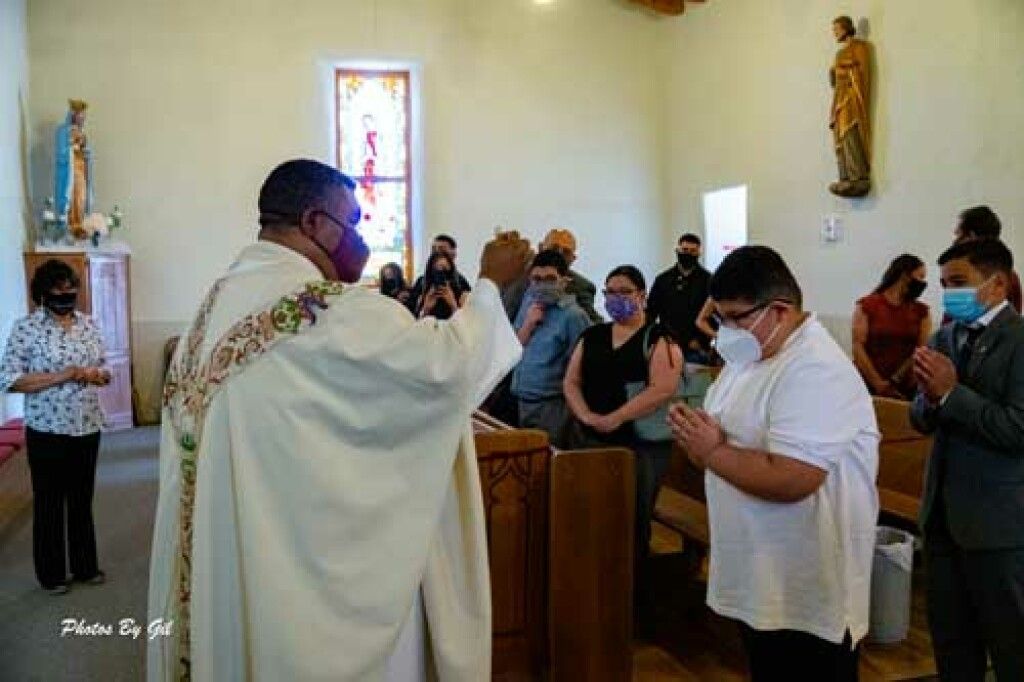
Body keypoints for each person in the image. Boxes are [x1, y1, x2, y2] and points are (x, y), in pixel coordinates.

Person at [147, 159, 527, 682]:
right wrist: (490, 284)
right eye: (353, 222)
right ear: (313, 223)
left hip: (231, 556)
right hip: (297, 578)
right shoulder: (321, 309)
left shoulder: (213, 308)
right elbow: (447, 369)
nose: (360, 236)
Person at [668, 246, 879, 681]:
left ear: (779, 311)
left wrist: (710, 451)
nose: (723, 330)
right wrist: (700, 435)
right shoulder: (752, 354)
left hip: (804, 585)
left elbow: (794, 477)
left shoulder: (815, 368)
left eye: (733, 317)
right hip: (761, 570)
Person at [910, 238, 1024, 682]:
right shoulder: (945, 336)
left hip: (999, 526)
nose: (948, 293)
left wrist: (952, 394)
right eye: (943, 284)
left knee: (1012, 645)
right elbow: (920, 419)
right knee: (952, 646)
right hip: (941, 519)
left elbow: (1018, 429)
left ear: (996, 285)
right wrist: (929, 399)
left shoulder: (1019, 340)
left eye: (958, 282)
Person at [562, 265, 682, 627]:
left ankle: (632, 606)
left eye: (625, 291)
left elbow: (662, 388)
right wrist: (584, 414)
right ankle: (595, 597)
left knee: (632, 521)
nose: (616, 298)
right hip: (591, 437)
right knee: (593, 519)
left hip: (639, 445)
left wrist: (616, 417)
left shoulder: (659, 337)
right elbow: (571, 380)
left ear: (642, 295)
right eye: (610, 291)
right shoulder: (594, 334)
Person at [0, 259, 110, 595]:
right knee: (49, 501)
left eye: (71, 289)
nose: (67, 295)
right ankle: (51, 575)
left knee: (81, 498)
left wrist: (100, 375)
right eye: (59, 290)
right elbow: (11, 380)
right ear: (43, 294)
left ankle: (85, 566)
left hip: (86, 425)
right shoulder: (26, 328)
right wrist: (66, 374)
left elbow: (103, 368)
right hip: (47, 428)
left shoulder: (89, 325)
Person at [511, 249, 591, 447]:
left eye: (549, 279)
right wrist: (528, 323)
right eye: (536, 279)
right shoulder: (529, 303)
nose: (541, 284)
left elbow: (582, 367)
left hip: (552, 404)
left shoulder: (573, 316)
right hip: (522, 398)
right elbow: (512, 347)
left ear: (564, 281)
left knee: (547, 461)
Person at [852, 254, 931, 398]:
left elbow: (921, 349)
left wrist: (895, 380)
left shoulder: (921, 311)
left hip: (906, 386)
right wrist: (878, 384)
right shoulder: (867, 305)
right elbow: (858, 347)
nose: (922, 283)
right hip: (866, 383)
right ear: (905, 275)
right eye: (920, 277)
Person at [501, 228, 601, 324]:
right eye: (554, 248)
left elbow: (593, 325)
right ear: (540, 248)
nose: (559, 254)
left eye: (566, 252)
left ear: (572, 259)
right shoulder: (515, 273)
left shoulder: (581, 286)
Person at [647, 233, 712, 362]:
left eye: (693, 251)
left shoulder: (709, 281)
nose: (688, 254)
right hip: (667, 345)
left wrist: (701, 340)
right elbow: (650, 312)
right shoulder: (663, 280)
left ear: (699, 253)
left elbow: (715, 315)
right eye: (685, 250)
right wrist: (654, 339)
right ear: (678, 251)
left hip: (697, 348)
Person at [828, 15, 872, 197]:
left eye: (837, 29)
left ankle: (858, 175)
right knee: (840, 136)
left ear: (846, 28)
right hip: (839, 99)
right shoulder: (839, 53)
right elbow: (834, 81)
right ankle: (844, 175)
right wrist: (834, 72)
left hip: (852, 99)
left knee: (850, 133)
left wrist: (845, 69)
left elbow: (863, 74)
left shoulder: (860, 47)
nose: (835, 33)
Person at [952, 205, 1022, 312]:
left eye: (958, 233)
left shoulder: (1004, 278)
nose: (955, 241)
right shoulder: (1011, 276)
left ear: (972, 236)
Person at [54, 99, 94, 238]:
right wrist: (72, 148)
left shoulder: (82, 133)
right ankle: (70, 226)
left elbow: (87, 151)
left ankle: (79, 225)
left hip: (81, 170)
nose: (82, 119)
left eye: (83, 116)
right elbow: (61, 153)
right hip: (69, 171)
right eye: (79, 116)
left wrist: (86, 152)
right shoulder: (63, 131)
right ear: (72, 115)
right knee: (71, 196)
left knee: (81, 197)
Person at [408, 234, 472, 308]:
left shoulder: (462, 283)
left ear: (453, 254)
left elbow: (468, 316)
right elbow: (411, 314)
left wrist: (452, 303)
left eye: (442, 249)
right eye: (433, 249)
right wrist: (424, 307)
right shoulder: (421, 282)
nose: (437, 253)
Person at [413, 251, 469, 320]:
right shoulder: (422, 296)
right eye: (436, 271)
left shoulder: (462, 296)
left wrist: (453, 305)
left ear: (451, 272)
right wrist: (426, 309)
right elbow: (417, 327)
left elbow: (464, 327)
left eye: (444, 269)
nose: (441, 275)